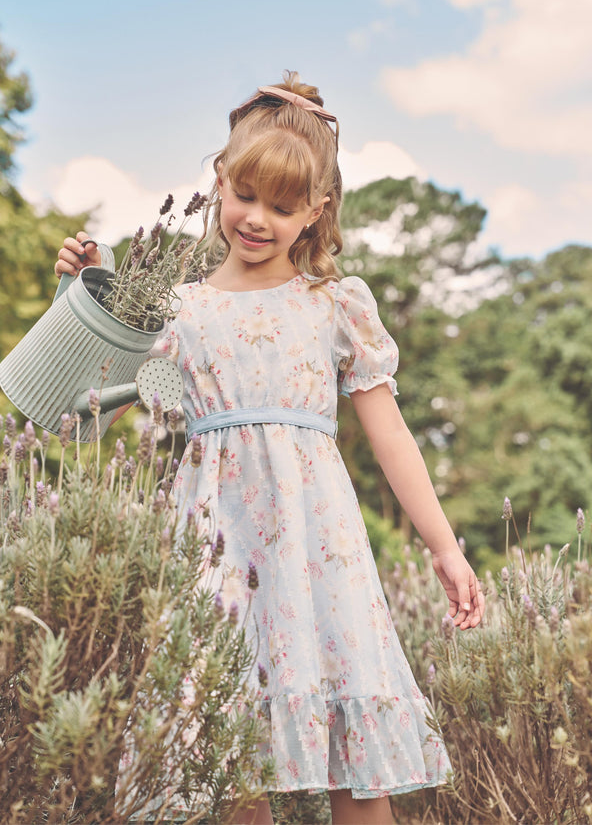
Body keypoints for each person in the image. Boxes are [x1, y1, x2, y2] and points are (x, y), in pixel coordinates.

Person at [55, 72, 484, 825]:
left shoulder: (333, 305)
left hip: (321, 550)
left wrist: (444, 548)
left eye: (283, 208)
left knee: (360, 771)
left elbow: (390, 434)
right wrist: (79, 292)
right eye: (245, 196)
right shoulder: (179, 309)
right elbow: (85, 404)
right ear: (219, 181)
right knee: (231, 752)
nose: (257, 219)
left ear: (316, 211)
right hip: (217, 550)